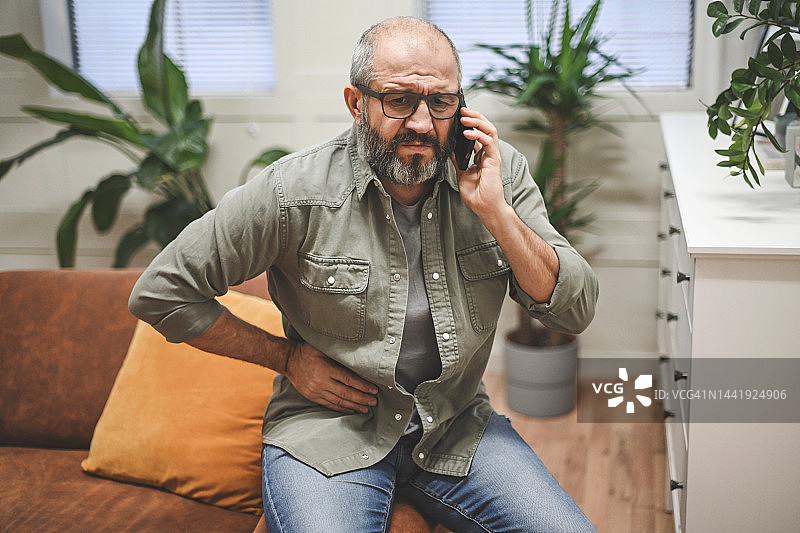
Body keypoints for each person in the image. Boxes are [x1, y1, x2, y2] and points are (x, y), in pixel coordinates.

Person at [129, 16, 598, 533]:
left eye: (441, 102)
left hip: (454, 426)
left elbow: (575, 309)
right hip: (328, 432)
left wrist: (497, 213)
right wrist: (283, 357)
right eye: (399, 100)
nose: (422, 121)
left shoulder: (496, 173)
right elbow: (161, 291)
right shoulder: (295, 191)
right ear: (357, 104)